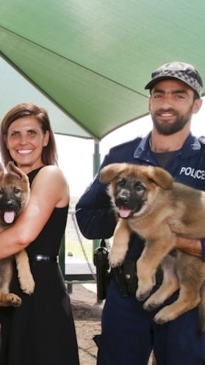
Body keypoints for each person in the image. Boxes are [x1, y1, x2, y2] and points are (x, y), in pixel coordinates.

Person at [76, 61, 205, 364]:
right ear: (149, 102)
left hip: (185, 299)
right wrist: (127, 212)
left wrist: (182, 241)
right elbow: (87, 220)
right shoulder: (121, 156)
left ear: (196, 104)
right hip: (126, 296)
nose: (167, 103)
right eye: (159, 95)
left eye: (179, 95)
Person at [0, 102, 80, 364]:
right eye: (14, 134)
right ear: (5, 140)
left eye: (32, 133)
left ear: (46, 138)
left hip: (38, 292)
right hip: (0, 289)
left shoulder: (50, 175)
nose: (23, 141)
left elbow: (22, 236)